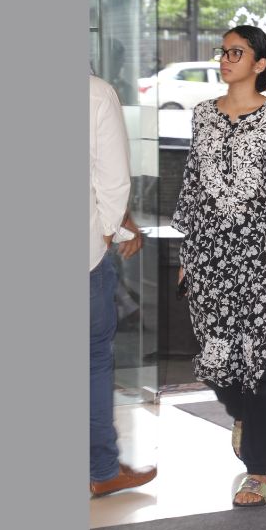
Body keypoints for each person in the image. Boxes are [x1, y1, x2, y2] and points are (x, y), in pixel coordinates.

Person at [171, 25, 266, 507]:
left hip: (260, 255)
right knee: (215, 356)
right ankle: (241, 411)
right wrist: (186, 254)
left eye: (236, 52)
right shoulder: (203, 114)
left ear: (259, 64)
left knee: (264, 359)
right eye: (223, 51)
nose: (225, 58)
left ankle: (258, 469)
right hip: (209, 254)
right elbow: (193, 183)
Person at [89, 74, 157, 496]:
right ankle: (102, 470)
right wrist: (113, 228)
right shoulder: (95, 93)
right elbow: (112, 181)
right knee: (93, 362)